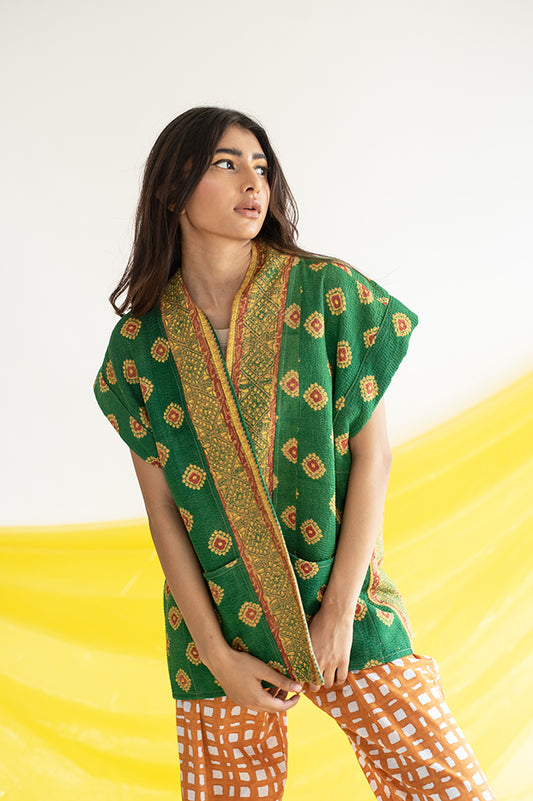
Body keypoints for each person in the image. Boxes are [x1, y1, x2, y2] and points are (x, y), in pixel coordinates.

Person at [94, 107, 495, 801]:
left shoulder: (327, 293)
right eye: (226, 164)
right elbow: (163, 512)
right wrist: (217, 656)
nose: (253, 182)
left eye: (261, 166)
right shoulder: (139, 348)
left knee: (446, 784)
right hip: (217, 625)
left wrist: (338, 613)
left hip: (343, 601)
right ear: (171, 188)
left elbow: (374, 458)